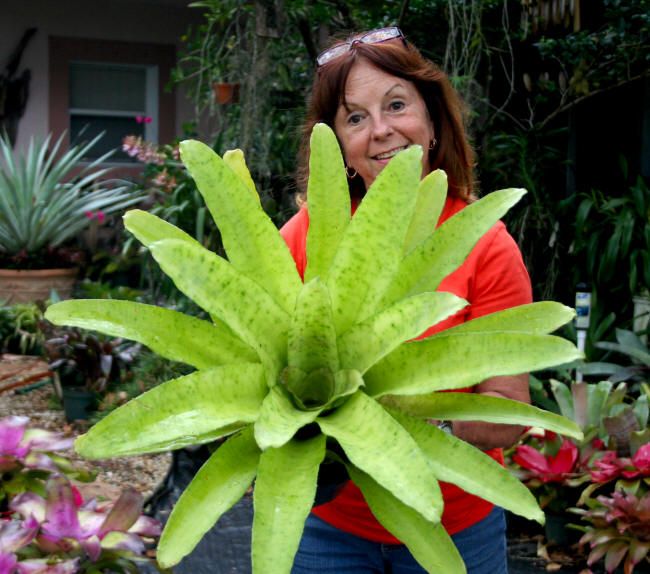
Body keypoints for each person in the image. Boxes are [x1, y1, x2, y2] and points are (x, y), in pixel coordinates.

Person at [280, 26, 532, 574]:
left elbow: (509, 412)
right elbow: (259, 363)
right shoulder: (304, 234)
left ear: (434, 121)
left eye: (396, 105)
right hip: (330, 527)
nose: (381, 131)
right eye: (354, 117)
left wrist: (412, 427)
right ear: (338, 146)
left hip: (455, 524)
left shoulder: (483, 241)